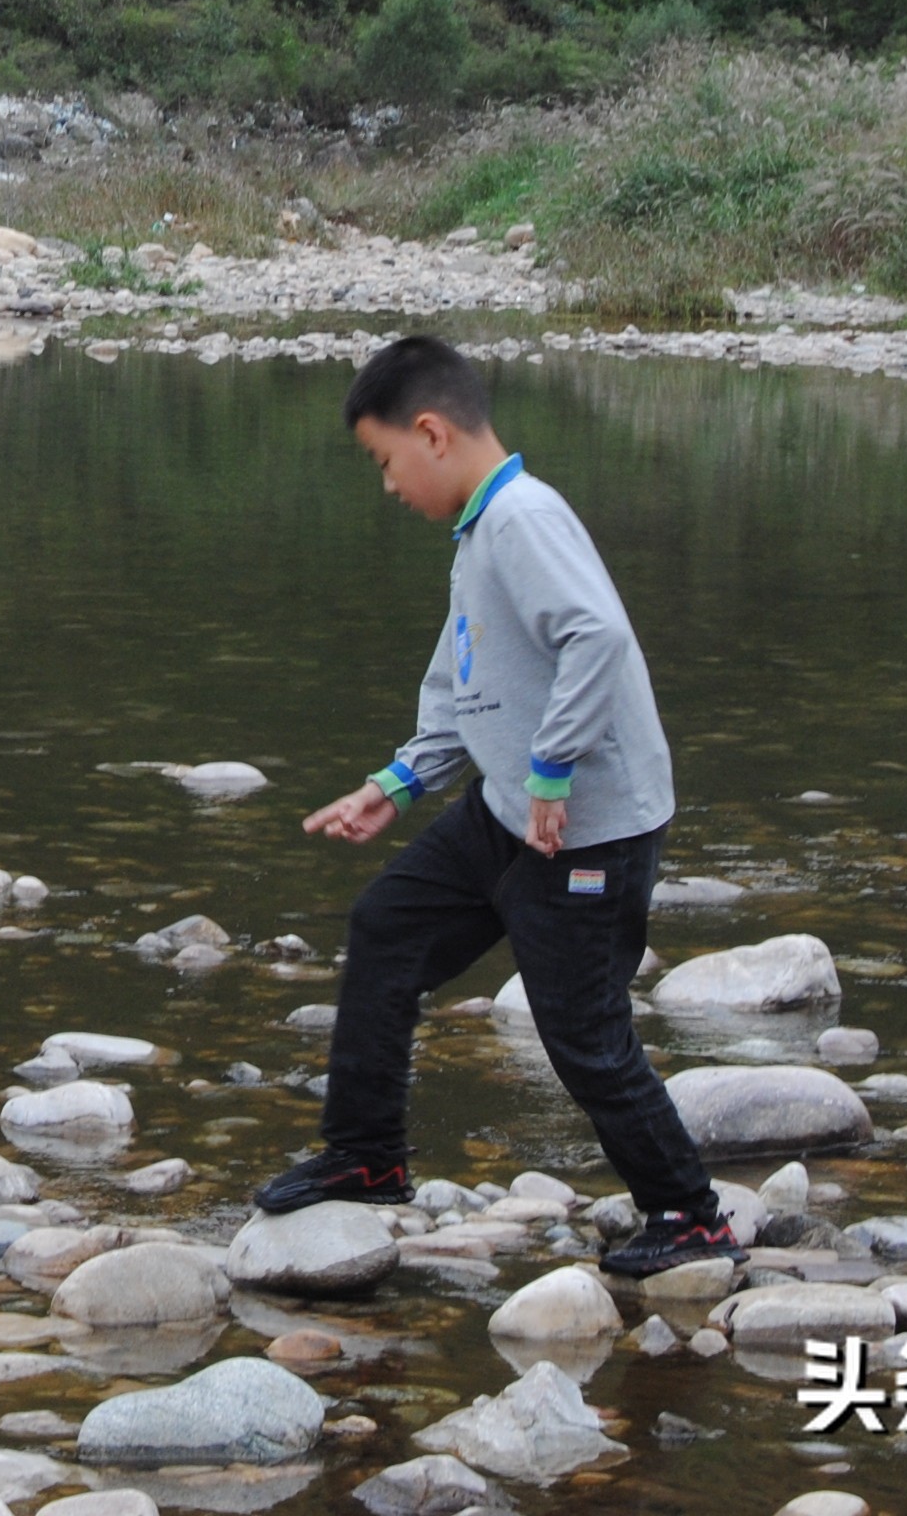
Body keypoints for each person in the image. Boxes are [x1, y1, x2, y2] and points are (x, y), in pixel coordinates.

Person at [255, 333, 737, 1280]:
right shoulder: (480, 533)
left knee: (583, 1032)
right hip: (510, 811)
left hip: (583, 826)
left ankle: (690, 1216)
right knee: (388, 925)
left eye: (385, 460)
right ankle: (366, 1154)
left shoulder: (522, 519)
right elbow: (463, 681)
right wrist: (396, 784)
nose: (388, 485)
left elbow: (597, 637)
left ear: (431, 434)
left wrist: (552, 769)